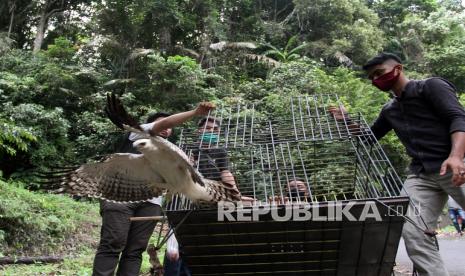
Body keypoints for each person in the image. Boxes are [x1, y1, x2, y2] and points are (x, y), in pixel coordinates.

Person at [329, 52, 465, 276]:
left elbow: (458, 117)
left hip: (454, 163)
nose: (376, 80)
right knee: (412, 231)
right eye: (372, 77)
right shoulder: (390, 110)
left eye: (379, 73)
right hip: (422, 175)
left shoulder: (430, 87)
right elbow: (368, 137)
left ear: (398, 68)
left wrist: (457, 156)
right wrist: (346, 120)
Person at [93, 102, 215, 276]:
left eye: (169, 126)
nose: (167, 128)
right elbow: (164, 124)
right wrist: (195, 112)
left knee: (135, 250)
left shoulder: (171, 150)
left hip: (151, 201)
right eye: (163, 124)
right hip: (119, 197)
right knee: (113, 243)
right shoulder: (139, 134)